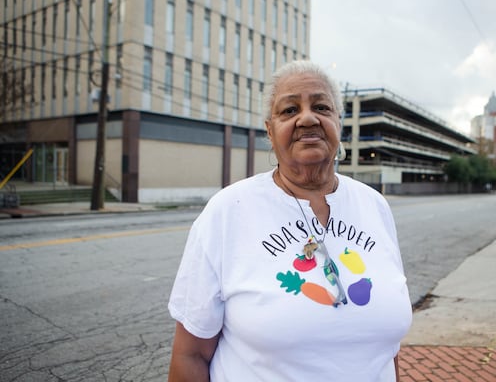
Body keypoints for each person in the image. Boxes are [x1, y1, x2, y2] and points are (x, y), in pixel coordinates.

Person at [167, 60, 413, 381]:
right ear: (270, 131)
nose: (307, 118)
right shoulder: (228, 211)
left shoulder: (375, 206)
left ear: (339, 122)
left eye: (322, 107)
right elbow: (190, 355)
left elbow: (386, 350)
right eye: (289, 110)